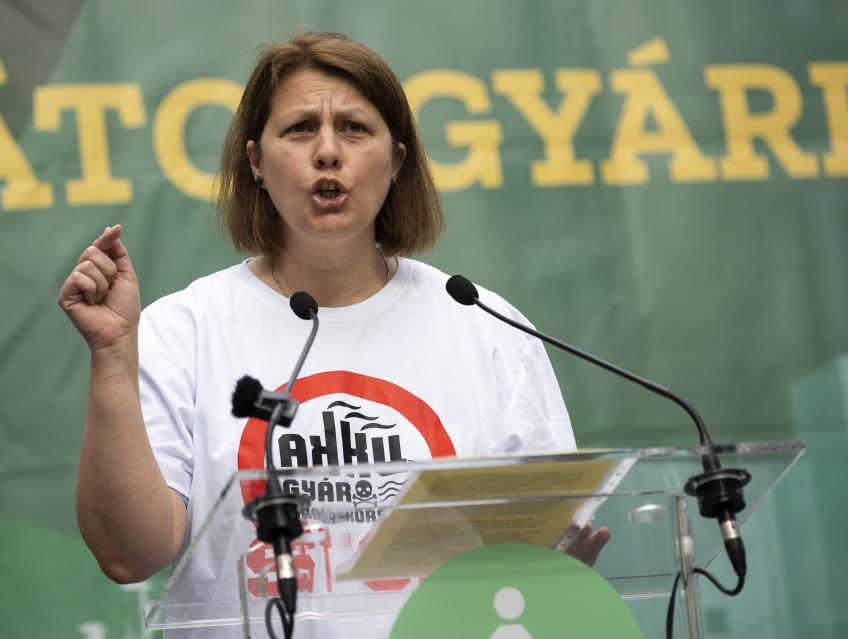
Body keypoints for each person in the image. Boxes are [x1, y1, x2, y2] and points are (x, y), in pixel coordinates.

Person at [58, 32, 609, 637]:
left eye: (354, 128)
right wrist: (112, 356)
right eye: (298, 129)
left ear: (397, 161)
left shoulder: (483, 324)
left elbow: (547, 542)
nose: (327, 151)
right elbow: (128, 555)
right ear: (256, 163)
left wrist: (548, 571)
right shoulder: (184, 329)